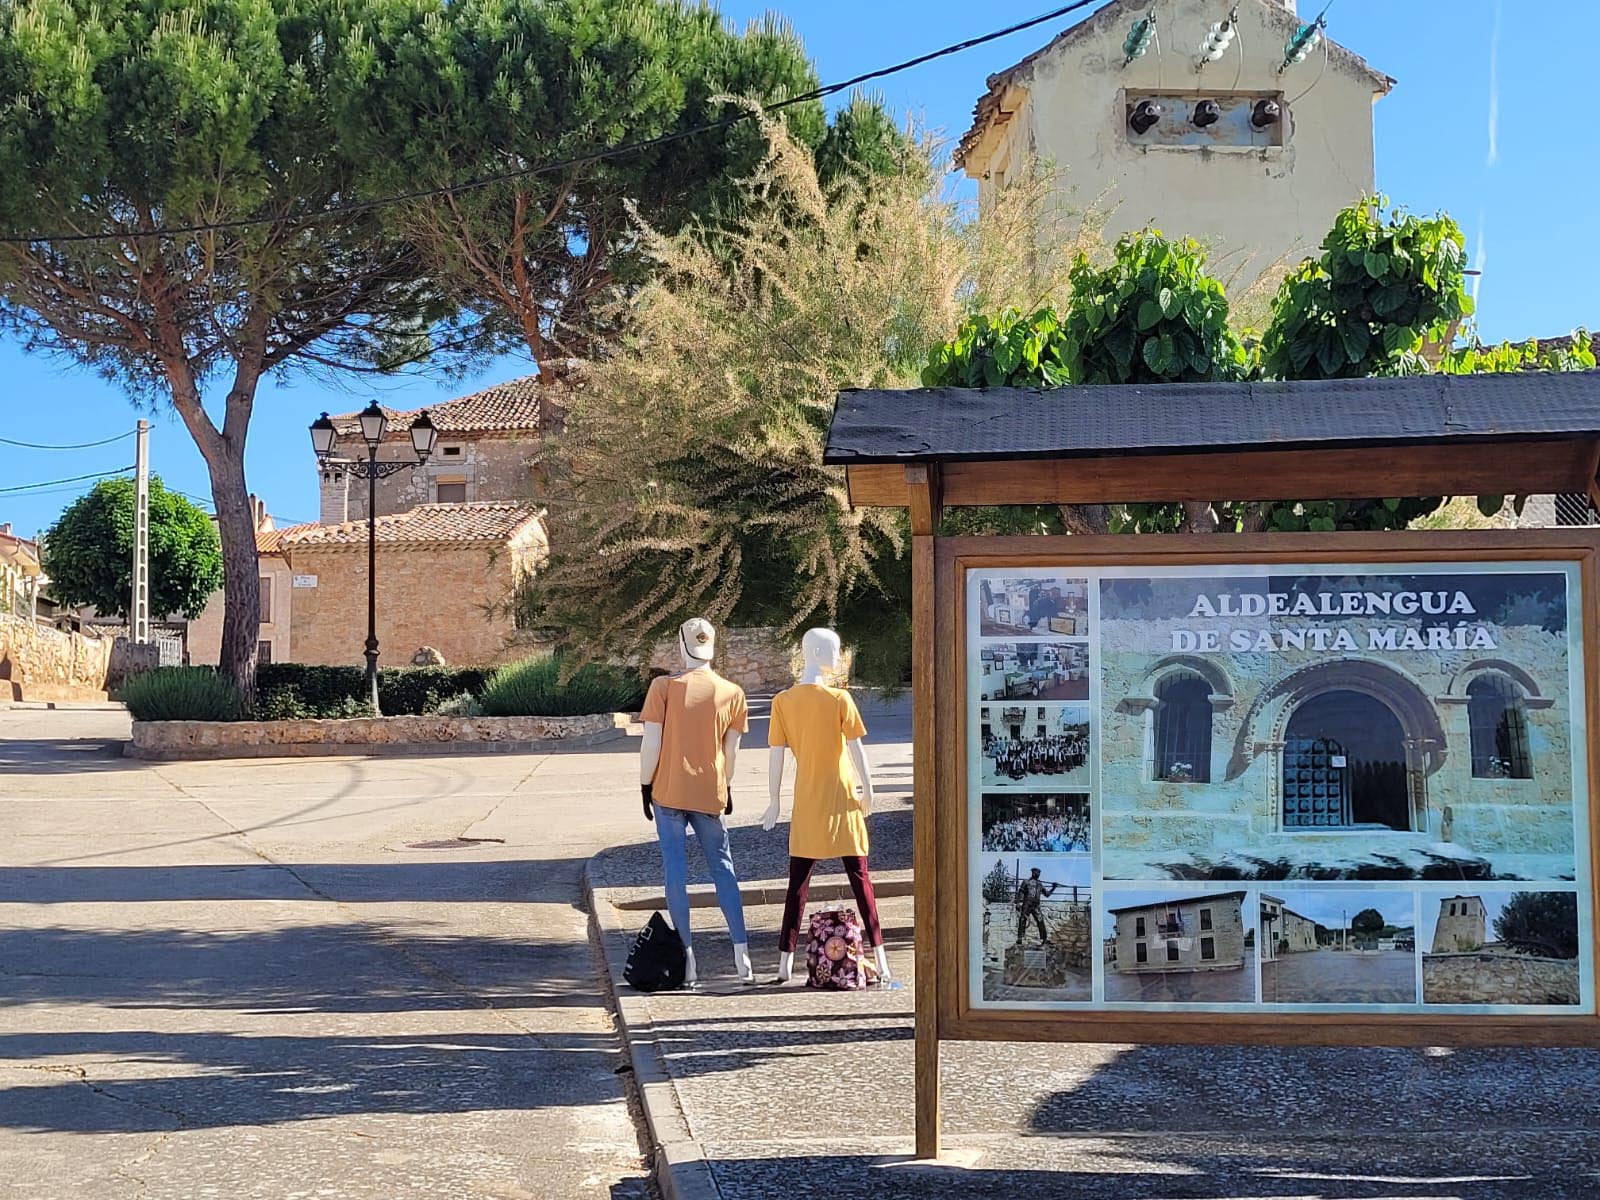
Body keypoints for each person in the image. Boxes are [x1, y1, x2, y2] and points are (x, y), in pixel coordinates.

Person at [1014, 867, 1058, 945]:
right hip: (1027, 903)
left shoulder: (1040, 884)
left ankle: (1044, 938)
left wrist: (1053, 888)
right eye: (1037, 873)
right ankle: (1020, 937)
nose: (1038, 874)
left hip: (1036, 905)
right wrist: (1019, 903)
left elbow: (1047, 894)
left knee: (1040, 921)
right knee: (1022, 919)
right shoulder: (1026, 881)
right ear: (1033, 873)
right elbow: (1021, 891)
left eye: (1039, 873)